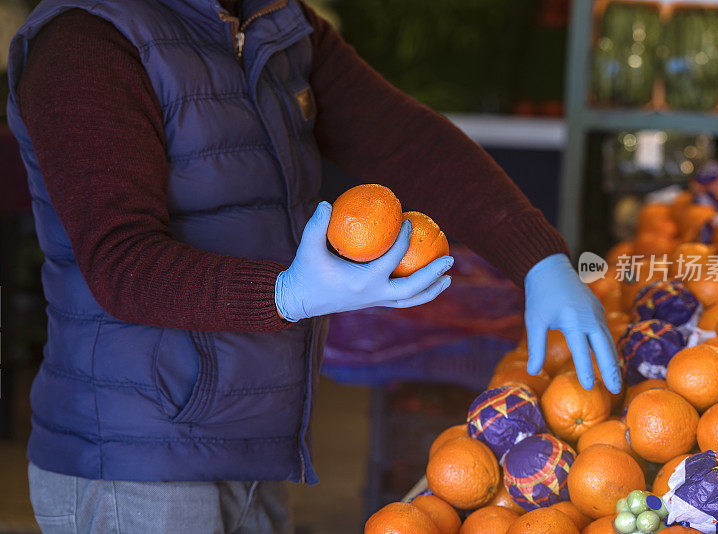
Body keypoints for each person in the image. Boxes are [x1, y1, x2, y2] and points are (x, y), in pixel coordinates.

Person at [6, 0, 621, 532]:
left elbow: (408, 141)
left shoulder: (275, 21)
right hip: (134, 459)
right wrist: (285, 293)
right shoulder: (85, 39)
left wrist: (539, 258)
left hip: (250, 442)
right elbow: (121, 263)